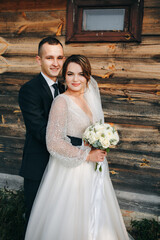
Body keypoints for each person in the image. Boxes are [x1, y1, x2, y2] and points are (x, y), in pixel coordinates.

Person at [24, 55, 133, 240]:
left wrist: (103, 141)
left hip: (93, 171)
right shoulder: (61, 101)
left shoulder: (90, 99)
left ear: (87, 76)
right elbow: (53, 142)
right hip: (70, 171)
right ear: (64, 76)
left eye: (81, 74)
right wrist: (87, 155)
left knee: (97, 215)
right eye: (70, 74)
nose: (76, 79)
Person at [18, 37, 82, 226]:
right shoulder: (29, 90)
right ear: (39, 60)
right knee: (36, 220)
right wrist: (81, 144)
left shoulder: (65, 89)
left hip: (62, 166)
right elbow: (40, 130)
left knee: (58, 219)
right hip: (38, 165)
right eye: (49, 58)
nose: (55, 63)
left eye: (59, 58)